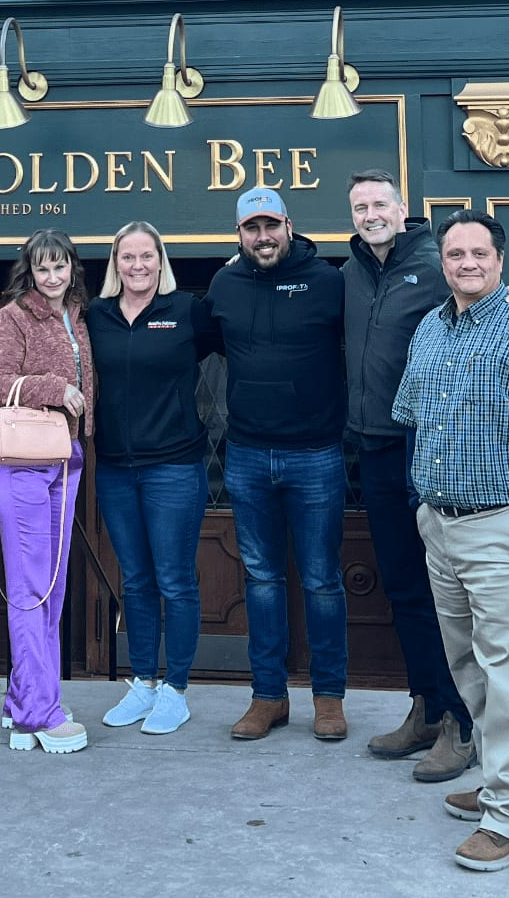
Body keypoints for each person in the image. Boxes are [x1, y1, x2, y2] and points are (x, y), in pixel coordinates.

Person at [393, 209, 509, 873]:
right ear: (442, 262)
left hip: (503, 526)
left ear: (499, 260)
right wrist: (419, 500)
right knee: (466, 665)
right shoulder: (430, 328)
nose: (466, 262)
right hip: (440, 523)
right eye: (454, 253)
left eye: (477, 252)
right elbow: (409, 416)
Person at [342, 169, 475, 781]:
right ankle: (426, 707)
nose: (370, 213)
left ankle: (461, 723)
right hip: (374, 450)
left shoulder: (435, 261)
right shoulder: (349, 274)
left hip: (430, 452)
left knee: (448, 594)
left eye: (379, 203)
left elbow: (488, 311)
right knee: (403, 587)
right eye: (359, 206)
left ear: (402, 210)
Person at [208, 187, 349, 742]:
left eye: (271, 226)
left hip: (315, 455)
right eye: (251, 228)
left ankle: (329, 699)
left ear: (290, 226)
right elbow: (190, 344)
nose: (262, 237)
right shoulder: (224, 284)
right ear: (239, 234)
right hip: (245, 455)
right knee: (262, 579)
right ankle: (268, 696)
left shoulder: (329, 282)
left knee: (321, 581)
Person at [86, 221, 219, 735]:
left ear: (161, 261)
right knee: (136, 580)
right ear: (114, 264)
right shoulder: (95, 315)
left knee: (176, 581)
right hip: (117, 469)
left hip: (174, 468)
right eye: (127, 258)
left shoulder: (186, 310)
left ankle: (176, 690)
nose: (137, 266)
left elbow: (240, 343)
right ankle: (142, 682)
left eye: (147, 257)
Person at [0, 229, 92, 754]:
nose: (52, 277)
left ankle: (23, 696)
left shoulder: (77, 315)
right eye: (43, 268)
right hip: (24, 463)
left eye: (61, 266)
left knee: (52, 585)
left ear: (72, 267)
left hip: (65, 459)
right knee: (32, 588)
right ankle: (38, 716)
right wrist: (56, 389)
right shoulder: (13, 316)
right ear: (30, 270)